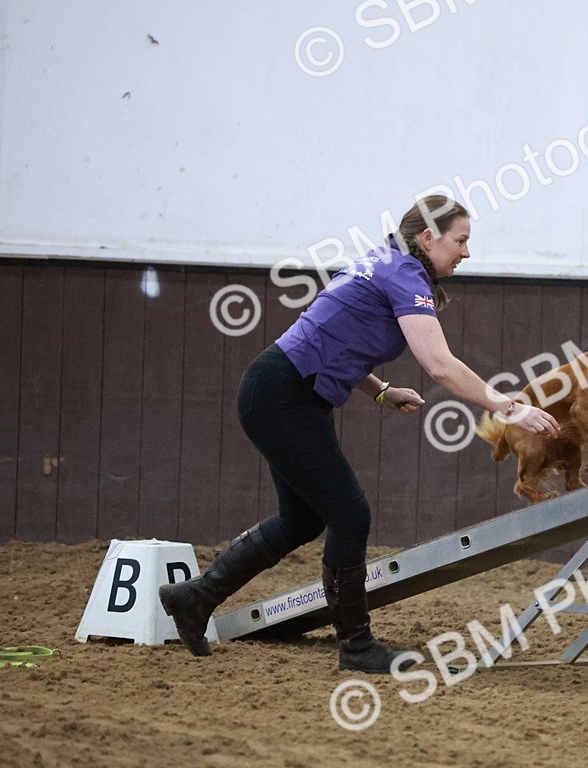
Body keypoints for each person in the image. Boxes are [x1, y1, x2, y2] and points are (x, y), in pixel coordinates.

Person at [159, 195, 559, 674]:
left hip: (279, 391)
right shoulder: (403, 275)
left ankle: (195, 598)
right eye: (461, 241)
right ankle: (356, 646)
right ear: (428, 237)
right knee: (350, 513)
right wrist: (506, 407)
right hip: (283, 396)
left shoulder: (384, 261)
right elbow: (439, 365)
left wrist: (381, 391)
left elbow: (336, 336)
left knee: (303, 519)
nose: (467, 253)